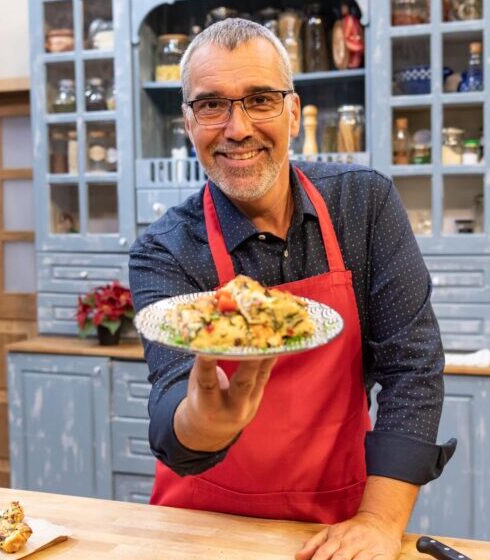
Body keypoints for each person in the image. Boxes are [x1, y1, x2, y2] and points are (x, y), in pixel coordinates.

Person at [129, 18, 455, 560]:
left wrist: (378, 522)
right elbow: (171, 394)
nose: (237, 128)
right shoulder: (165, 249)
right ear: (188, 123)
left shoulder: (363, 205)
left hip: (338, 525)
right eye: (211, 105)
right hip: (202, 528)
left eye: (260, 100)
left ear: (295, 113)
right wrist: (204, 424)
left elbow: (413, 369)